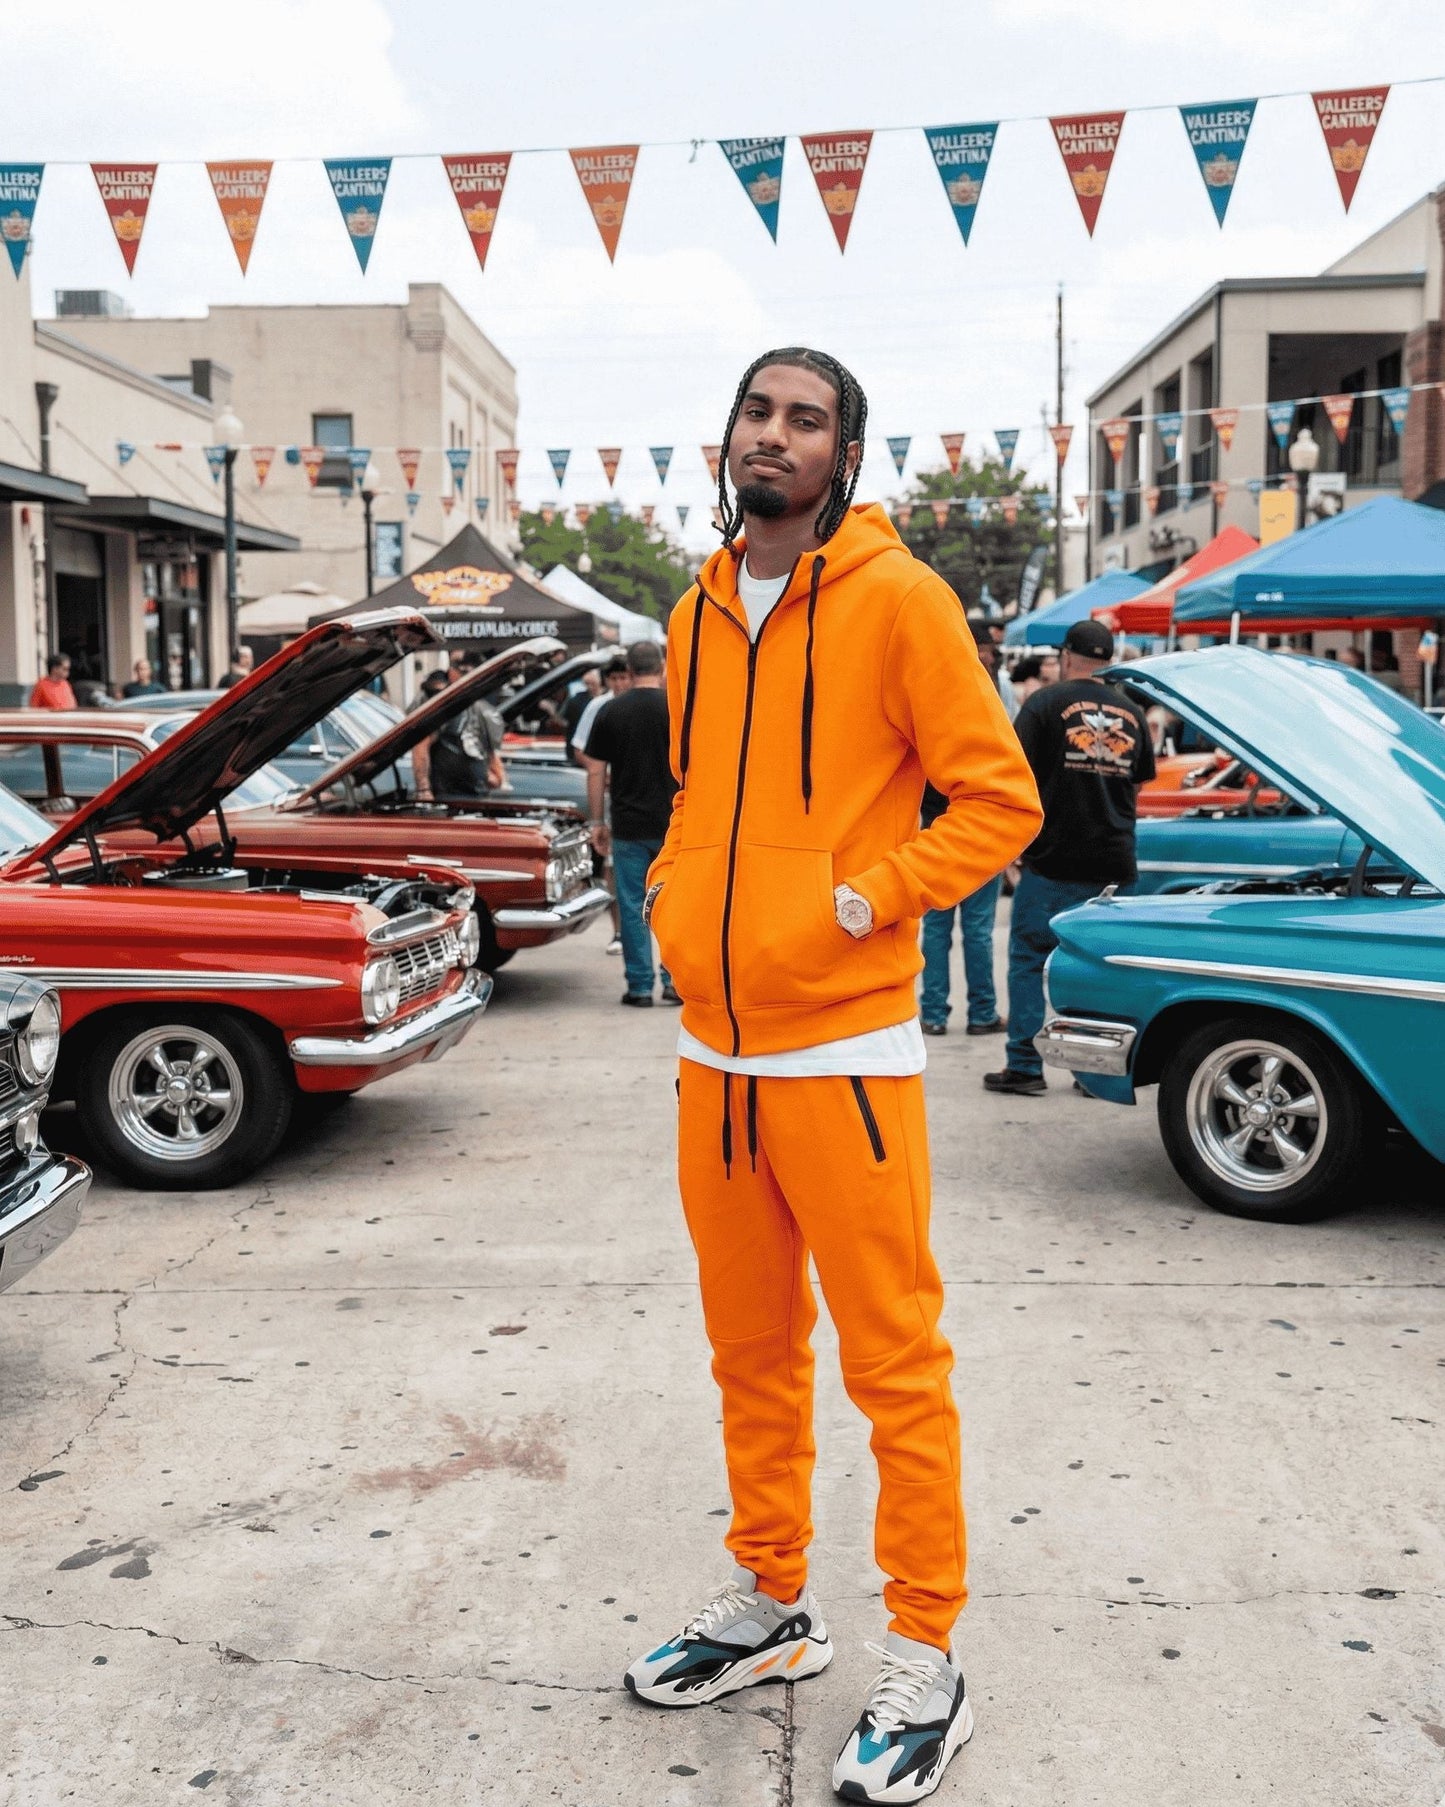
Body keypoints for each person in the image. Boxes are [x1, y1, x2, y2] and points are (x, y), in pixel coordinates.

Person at [626, 345, 1041, 1804]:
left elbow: (1001, 796)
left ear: (844, 455)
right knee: (750, 1351)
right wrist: (680, 899)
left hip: (847, 1054)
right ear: (725, 432)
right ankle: (770, 1596)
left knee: (892, 1362)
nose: (775, 435)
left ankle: (929, 1651)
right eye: (757, 409)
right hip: (711, 1055)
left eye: (808, 419)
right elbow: (691, 793)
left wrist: (865, 899)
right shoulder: (690, 606)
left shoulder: (902, 599)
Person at [985, 618, 1154, 1097]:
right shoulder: (1132, 712)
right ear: (1108, 659)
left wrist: (1010, 850)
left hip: (1053, 860)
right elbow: (1138, 782)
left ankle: (1024, 1065)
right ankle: (1093, 1070)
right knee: (1100, 968)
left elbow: (1012, 777)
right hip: (1115, 863)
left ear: (1066, 657)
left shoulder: (1043, 704)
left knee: (1028, 960)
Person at [579, 640, 677, 1006]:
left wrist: (596, 821)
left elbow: (595, 769)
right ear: (663, 667)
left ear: (630, 671)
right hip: (675, 825)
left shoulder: (611, 711)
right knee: (673, 904)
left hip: (628, 825)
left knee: (635, 904)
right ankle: (674, 982)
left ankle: (639, 987)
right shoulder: (677, 708)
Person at [573, 654, 632, 954]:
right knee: (614, 869)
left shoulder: (645, 703)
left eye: (624, 677)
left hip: (636, 799)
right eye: (615, 679)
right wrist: (603, 770)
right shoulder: (600, 707)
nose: (620, 683)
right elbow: (582, 749)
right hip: (615, 798)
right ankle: (620, 932)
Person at [413, 665, 505, 802]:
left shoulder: (483, 712)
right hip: (447, 796)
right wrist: (424, 790)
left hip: (477, 795)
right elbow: (421, 745)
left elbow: (491, 753)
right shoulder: (445, 711)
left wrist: (494, 777)